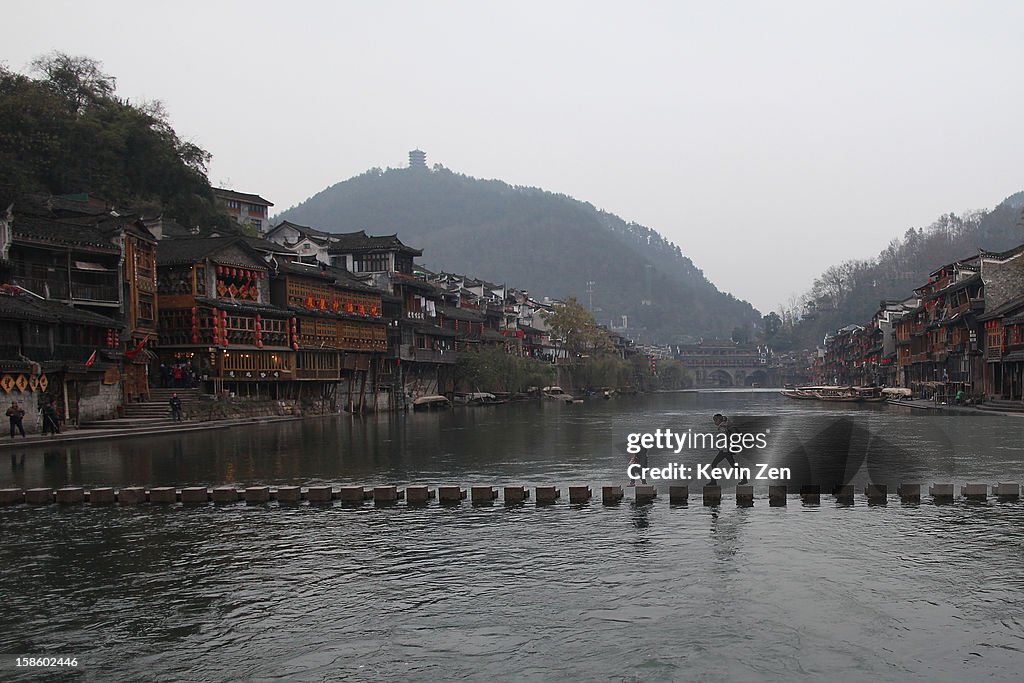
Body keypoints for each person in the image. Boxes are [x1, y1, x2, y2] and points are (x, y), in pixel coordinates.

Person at [708, 413, 747, 486]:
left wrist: (721, 448)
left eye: (715, 420)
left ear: (718, 420)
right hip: (726, 449)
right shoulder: (725, 426)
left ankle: (714, 481)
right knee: (733, 465)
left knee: (714, 464)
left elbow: (724, 438)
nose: (714, 422)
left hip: (725, 450)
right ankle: (744, 479)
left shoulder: (722, 427)